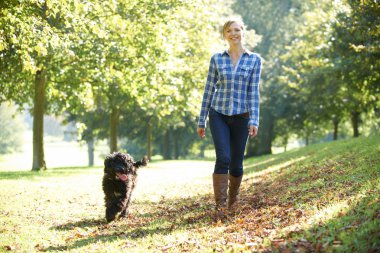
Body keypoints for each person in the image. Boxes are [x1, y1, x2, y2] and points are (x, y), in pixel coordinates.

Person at [197, 19, 262, 220]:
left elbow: (253, 91)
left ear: (243, 32)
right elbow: (209, 89)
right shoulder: (217, 59)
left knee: (236, 164)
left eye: (237, 30)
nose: (233, 34)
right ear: (224, 35)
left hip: (242, 116)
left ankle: (233, 200)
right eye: (229, 31)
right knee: (223, 158)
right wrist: (202, 119)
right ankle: (221, 206)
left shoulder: (254, 60)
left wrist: (254, 119)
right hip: (219, 114)